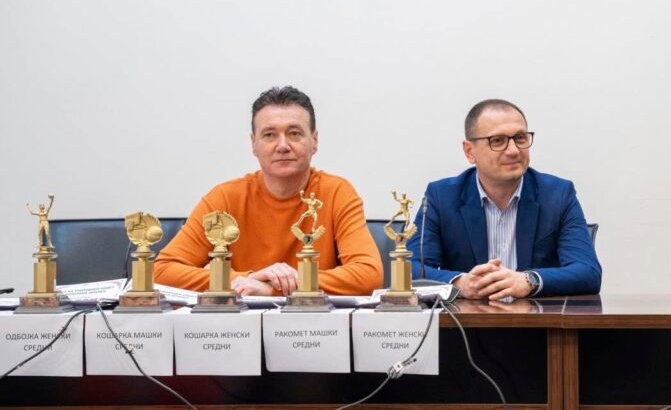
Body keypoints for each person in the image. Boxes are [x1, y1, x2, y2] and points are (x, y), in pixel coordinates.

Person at [155, 86, 383, 296]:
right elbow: (162, 271)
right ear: (254, 143)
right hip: (240, 324)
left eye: (294, 133)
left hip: (313, 322)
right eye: (270, 135)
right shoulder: (225, 198)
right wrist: (244, 279)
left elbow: (369, 275)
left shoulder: (337, 193)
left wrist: (279, 286)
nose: (282, 146)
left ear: (314, 141)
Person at [407, 99, 601, 301]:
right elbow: (409, 270)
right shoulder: (441, 197)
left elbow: (588, 272)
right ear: (470, 151)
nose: (514, 150)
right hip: (467, 319)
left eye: (520, 138)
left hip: (535, 317)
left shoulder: (557, 195)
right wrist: (459, 283)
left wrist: (529, 280)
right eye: (498, 141)